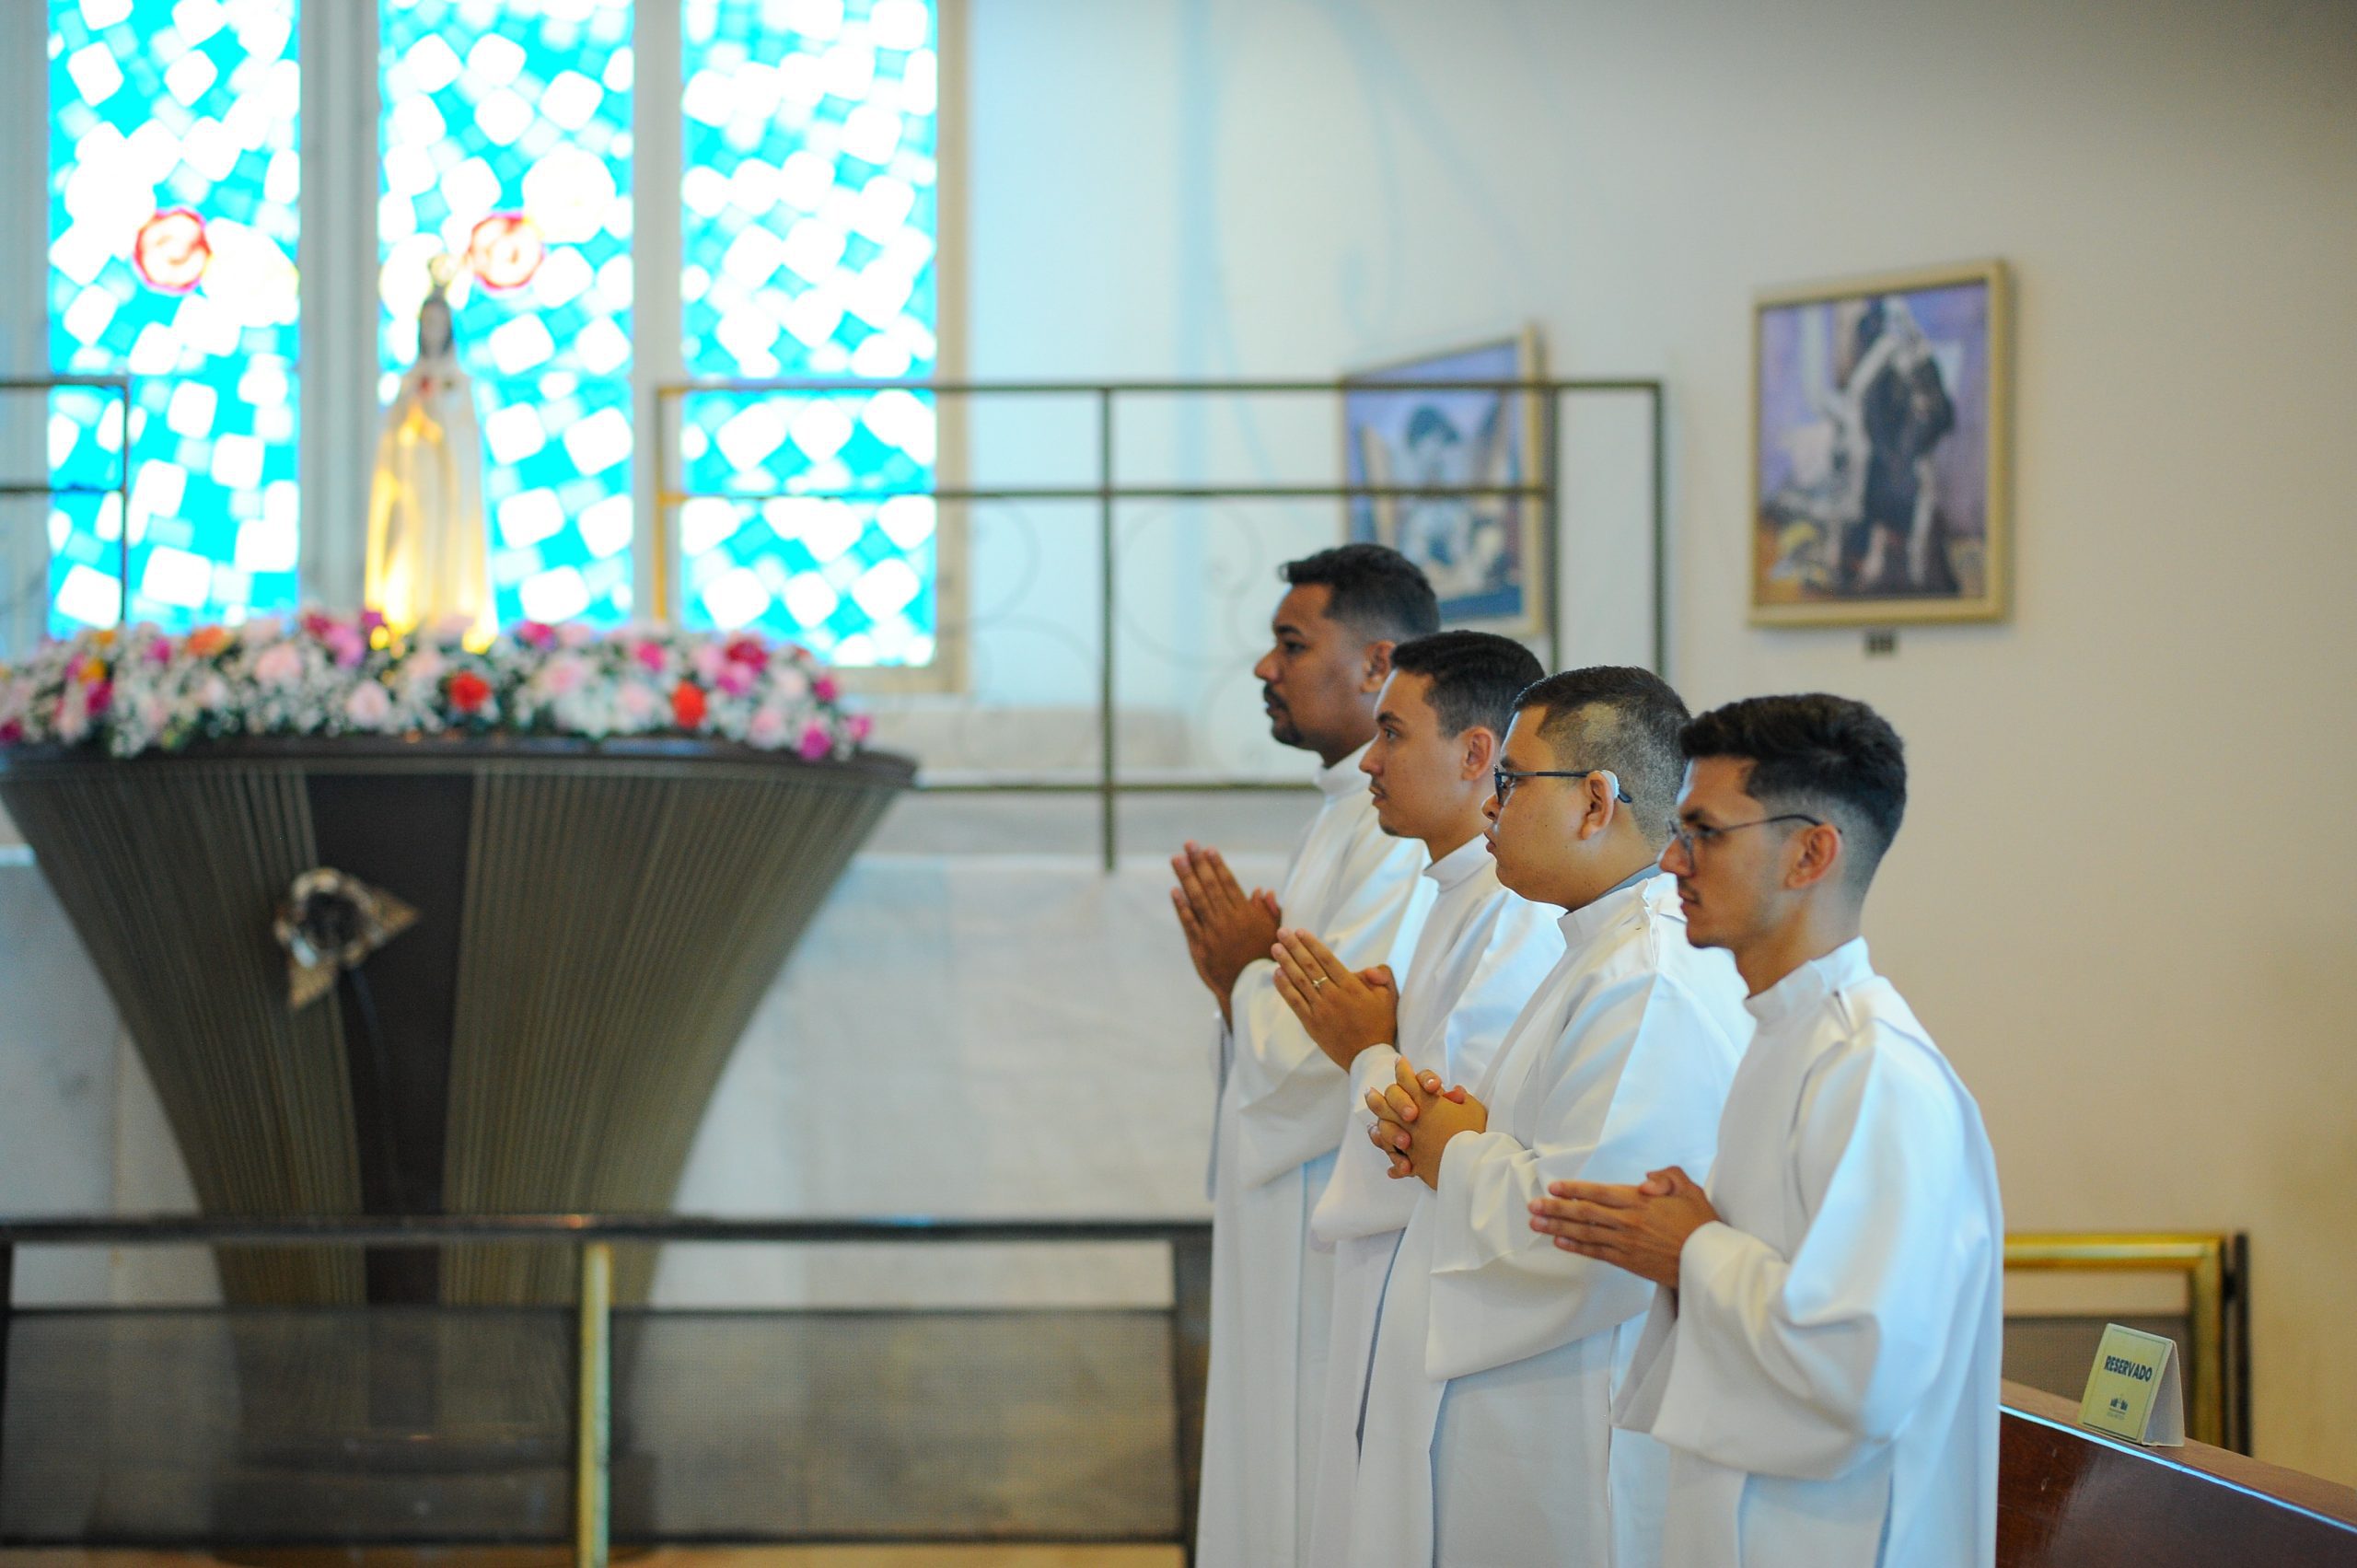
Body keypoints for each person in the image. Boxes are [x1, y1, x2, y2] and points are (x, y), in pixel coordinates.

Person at [1531, 694, 2003, 1568]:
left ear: (1810, 853)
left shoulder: (1878, 1073)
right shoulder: (1784, 1037)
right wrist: (1686, 1245)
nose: (1671, 859)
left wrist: (1693, 1251)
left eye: (1705, 833)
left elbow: (1862, 1366)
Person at [1345, 667, 1752, 1568]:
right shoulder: (1597, 948)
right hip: (1522, 1403)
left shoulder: (1644, 977)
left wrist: (1449, 1149)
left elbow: (1593, 1232)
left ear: (1595, 800)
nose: (1490, 805)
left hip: (1570, 1422)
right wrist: (1458, 1131)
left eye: (1513, 779)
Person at [1260, 631, 1564, 1568]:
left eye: (1391, 733)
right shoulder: (1455, 893)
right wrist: (1373, 1048)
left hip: (1466, 1319)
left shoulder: (1513, 913)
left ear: (1475, 753)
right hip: (1403, 1284)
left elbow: (1440, 1134)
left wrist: (1364, 1049)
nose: (1370, 760)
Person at [1171, 543, 1440, 1568]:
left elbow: (1332, 1041)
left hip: (1329, 1215)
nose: (1265, 667)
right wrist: (1240, 980)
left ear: (1376, 662)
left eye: (1291, 643)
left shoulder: (1396, 836)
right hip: (1287, 1211)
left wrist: (1242, 971)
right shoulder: (1344, 814)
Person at [366, 253, 493, 643]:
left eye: (439, 324)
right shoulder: (408, 383)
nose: (433, 331)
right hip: (411, 484)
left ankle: (451, 625)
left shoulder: (457, 384)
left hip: (446, 489)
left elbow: (463, 442)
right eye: (427, 324)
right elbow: (391, 440)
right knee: (406, 553)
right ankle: (404, 626)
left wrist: (437, 411)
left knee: (448, 553)